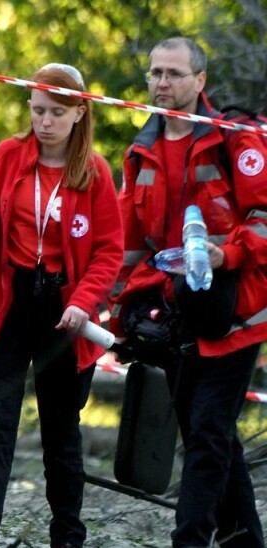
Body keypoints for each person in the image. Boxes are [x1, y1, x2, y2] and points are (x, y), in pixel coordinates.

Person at [0, 63, 123, 548]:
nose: (45, 122)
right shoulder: (9, 155)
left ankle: (68, 533)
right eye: (38, 110)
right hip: (10, 302)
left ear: (80, 112)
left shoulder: (96, 173)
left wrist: (84, 302)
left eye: (57, 113)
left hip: (66, 311)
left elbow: (109, 251)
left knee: (61, 430)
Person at [110, 37, 267, 548]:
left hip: (238, 311)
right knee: (213, 438)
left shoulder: (235, 139)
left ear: (200, 81)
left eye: (174, 73)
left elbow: (264, 218)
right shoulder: (142, 148)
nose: (161, 83)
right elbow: (130, 241)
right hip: (177, 312)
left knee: (205, 435)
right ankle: (245, 541)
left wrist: (229, 254)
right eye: (155, 72)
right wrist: (120, 311)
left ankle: (190, 541)